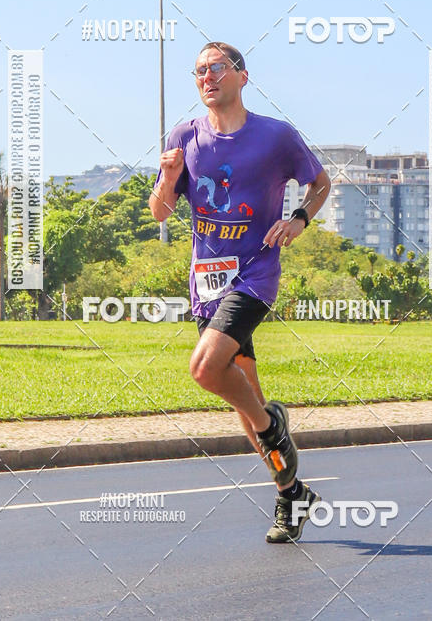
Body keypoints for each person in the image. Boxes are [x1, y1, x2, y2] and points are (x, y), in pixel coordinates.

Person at [149, 41, 330, 543]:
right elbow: (160, 212)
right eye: (199, 71)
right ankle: (291, 493)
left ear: (242, 76)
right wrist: (168, 177)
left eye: (216, 68)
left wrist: (298, 219)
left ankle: (274, 425)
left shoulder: (276, 136)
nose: (206, 77)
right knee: (244, 398)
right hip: (207, 282)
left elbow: (319, 184)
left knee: (206, 369)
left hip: (254, 273)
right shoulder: (185, 135)